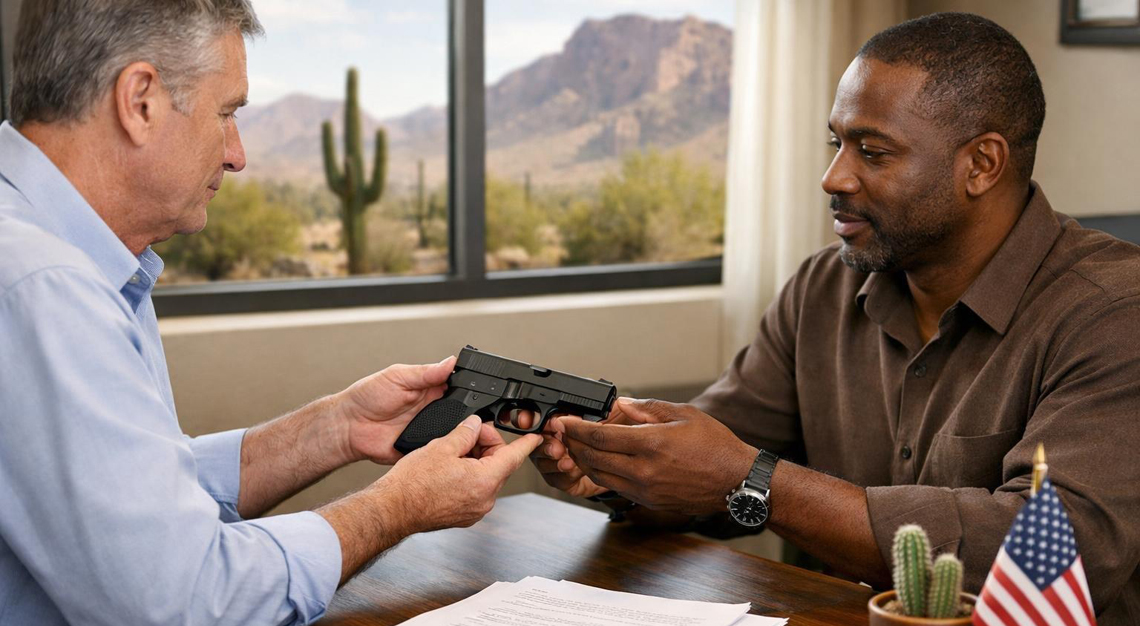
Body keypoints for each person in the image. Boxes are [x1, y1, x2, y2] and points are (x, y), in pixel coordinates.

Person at [531, 12, 1139, 624]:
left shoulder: (1116, 312)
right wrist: (620, 472)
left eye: (873, 152)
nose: (833, 177)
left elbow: (1055, 559)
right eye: (836, 143)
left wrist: (753, 480)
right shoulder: (822, 288)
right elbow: (711, 462)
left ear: (981, 165)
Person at [0, 1, 542, 625]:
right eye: (226, 113)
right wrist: (400, 506)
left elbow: (126, 504)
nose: (237, 154)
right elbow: (188, 601)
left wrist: (337, 427)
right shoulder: (45, 288)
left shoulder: (69, 258)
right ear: (140, 100)